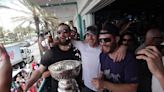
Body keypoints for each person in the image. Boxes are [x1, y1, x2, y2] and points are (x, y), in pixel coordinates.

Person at [24, 23, 82, 92]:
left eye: (65, 32)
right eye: (59, 32)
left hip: (76, 88)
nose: (62, 35)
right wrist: (27, 85)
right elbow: (39, 71)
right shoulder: (51, 53)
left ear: (70, 33)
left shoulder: (78, 49)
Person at [91, 22, 139, 92]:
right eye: (100, 40)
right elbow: (102, 72)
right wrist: (100, 79)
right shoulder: (102, 55)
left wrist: (104, 84)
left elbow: (133, 88)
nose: (103, 43)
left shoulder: (129, 58)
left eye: (107, 40)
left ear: (116, 39)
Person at [135, 27, 163, 92]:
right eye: (160, 38)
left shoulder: (156, 49)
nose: (162, 40)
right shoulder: (141, 53)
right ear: (153, 39)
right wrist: (159, 73)